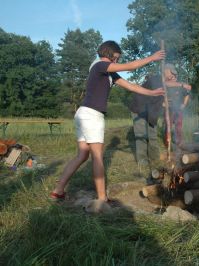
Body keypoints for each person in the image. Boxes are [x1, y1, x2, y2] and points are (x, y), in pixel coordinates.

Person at [50, 40, 165, 202]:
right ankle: (102, 198)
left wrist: (152, 93)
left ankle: (58, 190)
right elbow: (131, 66)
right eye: (116, 58)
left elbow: (131, 86)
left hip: (83, 113)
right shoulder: (99, 65)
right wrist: (151, 58)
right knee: (97, 157)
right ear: (108, 54)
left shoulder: (108, 72)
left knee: (82, 155)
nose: (117, 61)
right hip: (92, 115)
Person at [129, 64, 191, 184]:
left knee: (152, 136)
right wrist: (182, 84)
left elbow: (163, 99)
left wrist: (170, 104)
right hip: (139, 110)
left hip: (151, 112)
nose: (173, 76)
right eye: (171, 74)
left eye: (174, 75)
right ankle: (143, 163)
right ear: (165, 71)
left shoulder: (165, 84)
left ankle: (155, 160)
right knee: (141, 136)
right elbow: (166, 84)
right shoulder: (156, 78)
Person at [163, 64, 191, 147]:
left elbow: (187, 94)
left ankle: (179, 142)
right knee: (168, 126)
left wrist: (184, 104)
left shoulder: (180, 86)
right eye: (172, 76)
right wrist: (164, 103)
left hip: (178, 109)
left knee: (178, 126)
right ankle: (167, 143)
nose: (173, 78)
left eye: (175, 76)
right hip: (169, 109)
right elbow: (162, 95)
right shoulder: (166, 85)